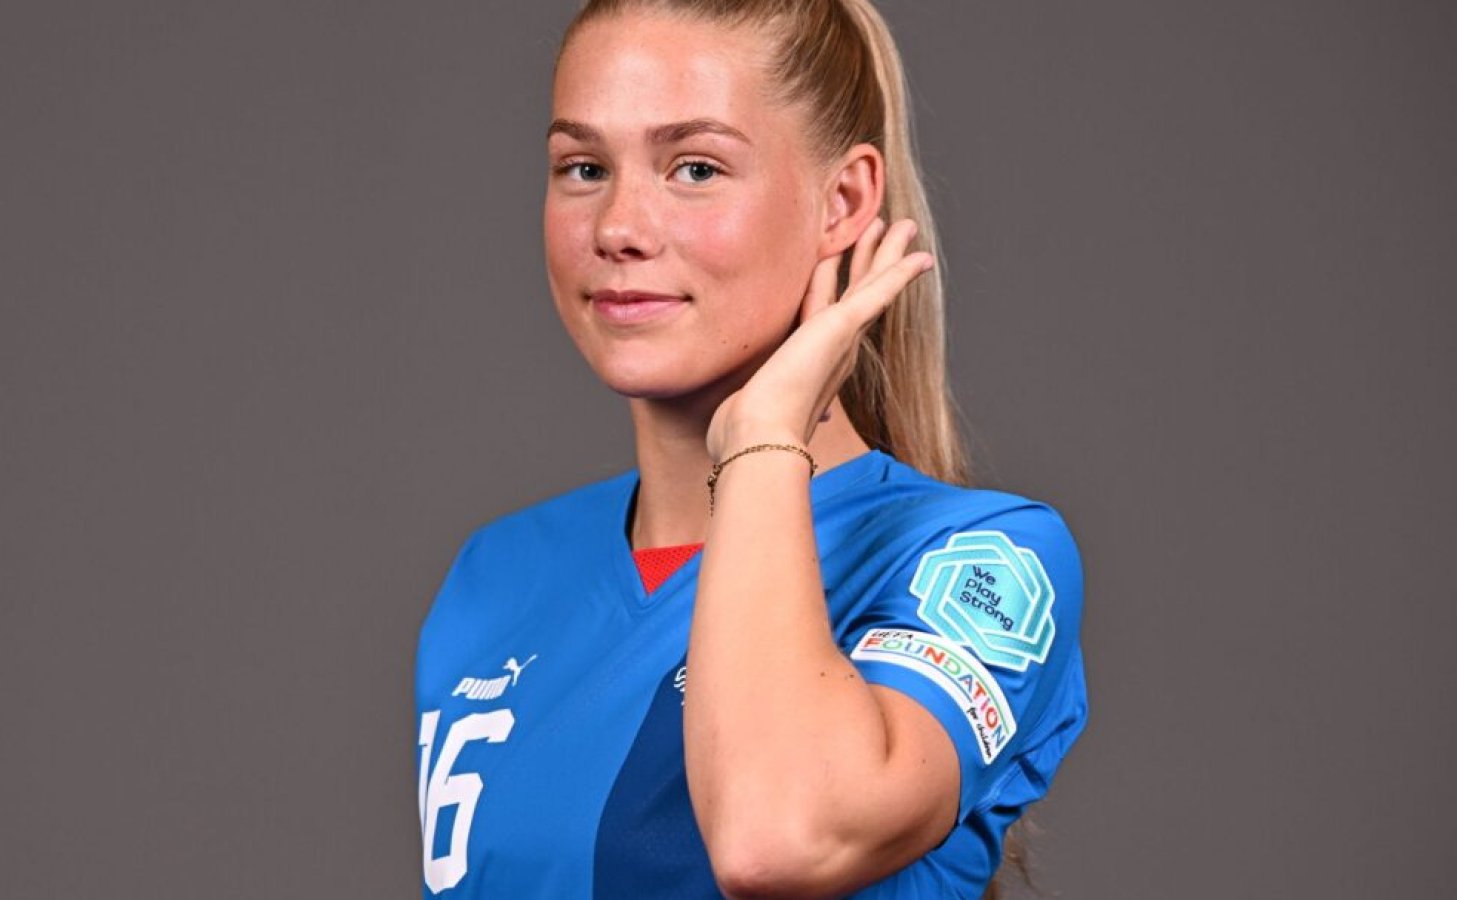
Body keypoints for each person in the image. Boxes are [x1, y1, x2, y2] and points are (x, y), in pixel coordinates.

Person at [414, 1, 1089, 897]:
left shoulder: (982, 561)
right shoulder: (496, 576)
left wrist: (765, 436)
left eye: (694, 168)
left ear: (842, 201)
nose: (618, 226)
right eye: (584, 167)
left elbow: (778, 840)